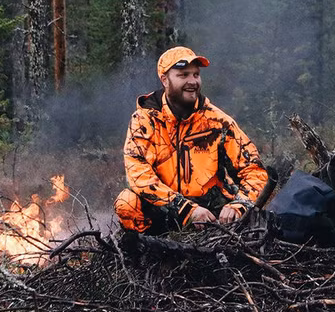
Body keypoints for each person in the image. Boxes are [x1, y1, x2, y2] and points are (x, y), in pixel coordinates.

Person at [114, 46, 270, 234]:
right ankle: (148, 247)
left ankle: (220, 243)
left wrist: (239, 204)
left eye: (196, 75)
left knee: (252, 215)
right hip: (167, 208)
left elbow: (254, 171)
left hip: (212, 214)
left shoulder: (218, 122)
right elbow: (138, 174)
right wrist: (185, 208)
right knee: (126, 202)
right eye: (183, 75)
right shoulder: (145, 121)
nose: (192, 81)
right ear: (164, 80)